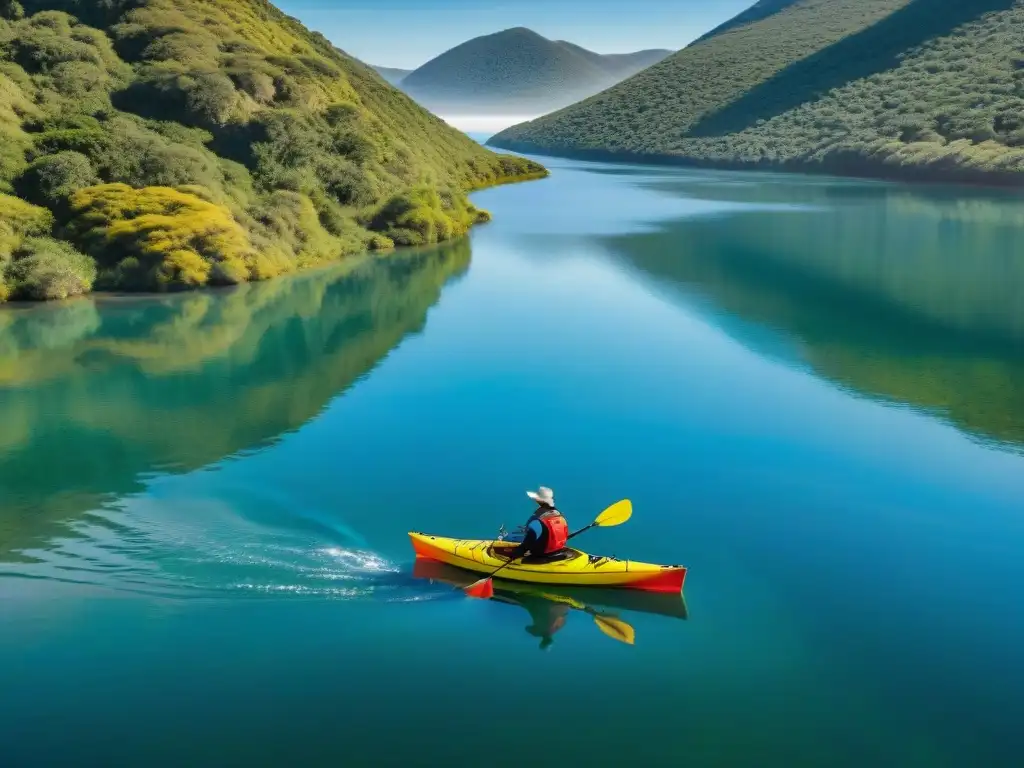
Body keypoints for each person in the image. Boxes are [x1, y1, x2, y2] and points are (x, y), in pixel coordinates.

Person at [503, 487, 570, 561]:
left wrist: (515, 554)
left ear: (538, 500)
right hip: (558, 550)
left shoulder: (536, 521)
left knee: (512, 538)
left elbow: (527, 544)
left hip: (541, 554)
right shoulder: (560, 517)